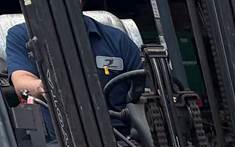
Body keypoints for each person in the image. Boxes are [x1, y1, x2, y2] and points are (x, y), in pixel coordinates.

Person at [6, 8, 143, 113]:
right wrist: (47, 86)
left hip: (122, 135)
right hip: (58, 136)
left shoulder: (117, 40)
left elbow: (145, 89)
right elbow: (22, 82)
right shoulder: (23, 35)